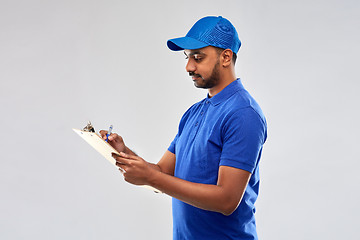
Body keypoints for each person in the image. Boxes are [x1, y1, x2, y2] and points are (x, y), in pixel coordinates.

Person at [100, 16, 267, 240]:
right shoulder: (194, 113)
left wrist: (150, 177)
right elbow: (162, 173)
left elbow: (227, 200)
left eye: (198, 57)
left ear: (226, 57)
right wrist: (123, 152)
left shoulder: (243, 114)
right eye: (188, 57)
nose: (188, 67)